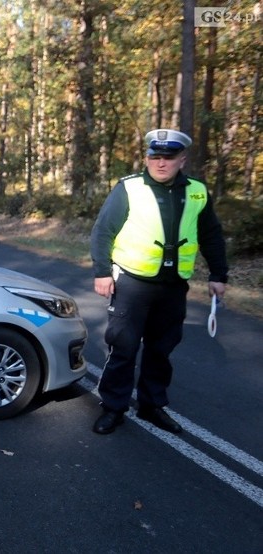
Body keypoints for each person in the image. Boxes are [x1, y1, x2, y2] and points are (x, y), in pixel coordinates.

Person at [89, 128, 228, 435]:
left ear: (182, 159)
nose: (161, 163)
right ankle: (113, 407)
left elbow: (211, 235)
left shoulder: (197, 191)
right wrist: (101, 271)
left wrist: (219, 275)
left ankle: (152, 406)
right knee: (122, 347)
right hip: (132, 284)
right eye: (155, 156)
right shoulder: (129, 188)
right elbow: (103, 231)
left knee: (161, 349)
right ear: (147, 157)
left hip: (174, 286)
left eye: (169, 157)